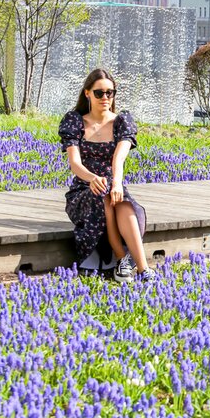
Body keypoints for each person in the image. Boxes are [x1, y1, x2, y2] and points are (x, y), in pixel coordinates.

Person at [58, 68, 152, 282]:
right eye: (99, 93)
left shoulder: (122, 121)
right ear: (87, 93)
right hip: (83, 190)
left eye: (110, 93)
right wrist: (92, 179)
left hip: (112, 184)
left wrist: (117, 183)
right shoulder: (75, 121)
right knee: (104, 194)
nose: (105, 97)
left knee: (123, 202)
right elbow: (75, 163)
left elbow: (118, 159)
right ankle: (121, 259)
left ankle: (143, 270)